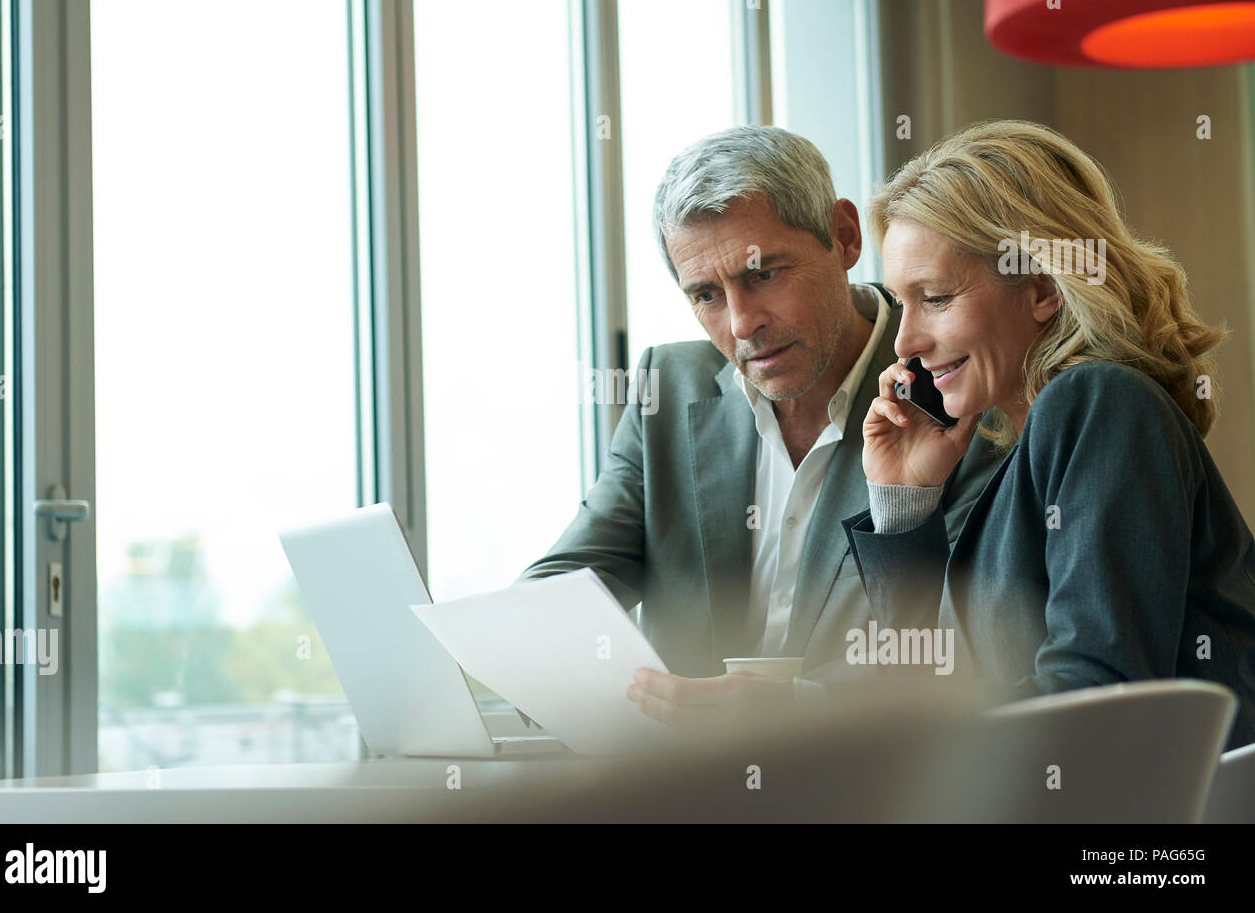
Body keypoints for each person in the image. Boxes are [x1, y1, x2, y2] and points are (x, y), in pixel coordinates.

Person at [515, 125, 1003, 731]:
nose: (742, 324)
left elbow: (964, 648)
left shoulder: (953, 388)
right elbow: (562, 589)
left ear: (844, 238)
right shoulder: (668, 386)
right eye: (706, 295)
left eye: (764, 274)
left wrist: (799, 712)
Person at [841, 119, 1255, 749]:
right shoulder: (1045, 445)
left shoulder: (1100, 401)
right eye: (902, 303)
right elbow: (933, 684)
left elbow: (1093, 700)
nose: (904, 344)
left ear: (1040, 287)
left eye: (936, 298)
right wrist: (905, 504)